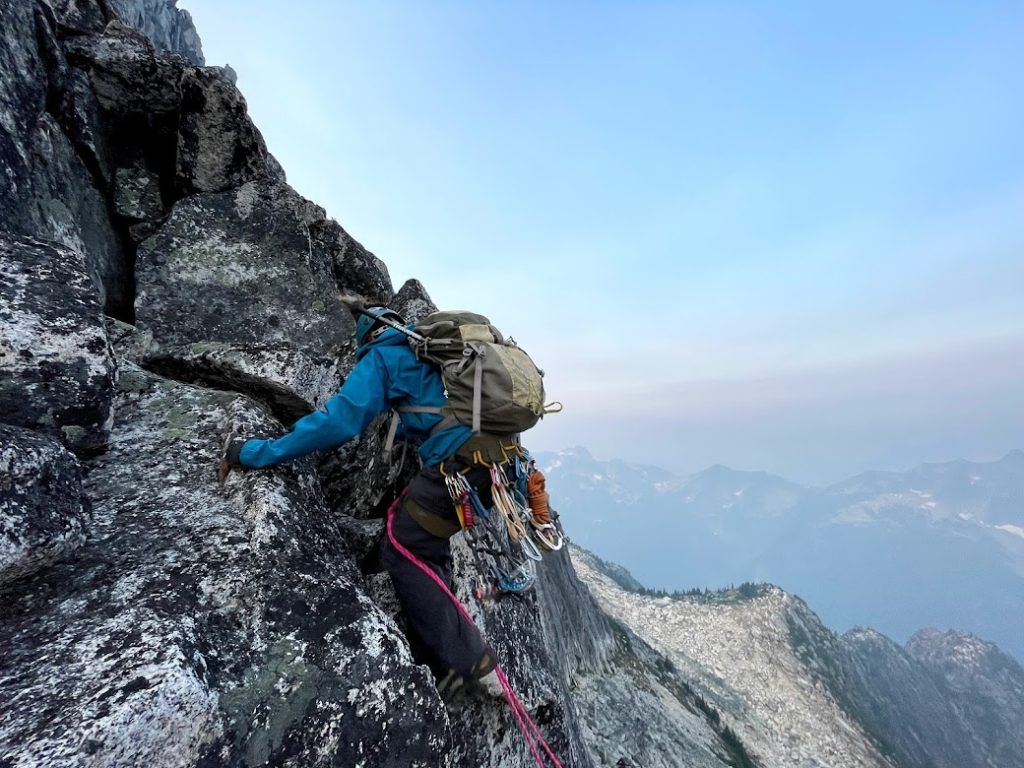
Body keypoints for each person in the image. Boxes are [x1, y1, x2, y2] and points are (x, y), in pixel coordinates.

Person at [221, 306, 522, 699]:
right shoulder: (430, 350)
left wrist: (253, 453)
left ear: (368, 338)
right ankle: (439, 651)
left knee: (401, 546)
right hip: (499, 461)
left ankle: (467, 664)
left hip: (462, 464)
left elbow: (339, 422)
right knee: (425, 540)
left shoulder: (382, 357)